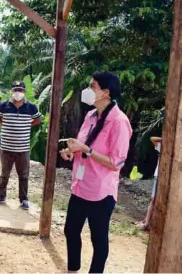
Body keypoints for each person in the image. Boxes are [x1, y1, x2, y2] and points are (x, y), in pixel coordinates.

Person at [60, 72, 132, 273]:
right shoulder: (91, 115)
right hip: (80, 186)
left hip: (101, 191)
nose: (88, 90)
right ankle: (72, 270)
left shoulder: (119, 122)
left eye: (92, 87)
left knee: (98, 239)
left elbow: (116, 163)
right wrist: (71, 151)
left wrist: (87, 151)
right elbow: (83, 144)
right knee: (71, 231)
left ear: (106, 93)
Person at [0, 81, 42, 210]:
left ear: (24, 91)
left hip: (23, 149)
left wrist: (27, 125)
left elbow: (38, 119)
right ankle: (0, 197)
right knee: (4, 174)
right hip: (6, 148)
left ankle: (23, 199)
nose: (18, 92)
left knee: (23, 175)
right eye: (16, 90)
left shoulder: (31, 107)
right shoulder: (3, 105)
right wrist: (7, 125)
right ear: (11, 91)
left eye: (21, 90)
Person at [135, 136, 162, 231]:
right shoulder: (164, 145)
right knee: (154, 199)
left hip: (163, 177)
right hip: (158, 175)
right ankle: (146, 223)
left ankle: (149, 222)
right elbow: (152, 138)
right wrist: (165, 138)